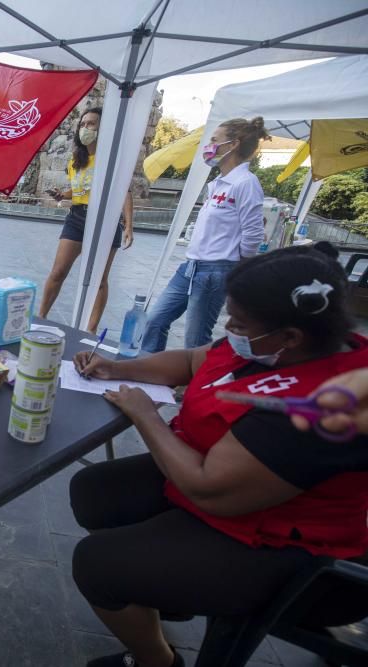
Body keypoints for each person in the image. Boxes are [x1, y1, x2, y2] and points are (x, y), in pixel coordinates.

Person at [68, 244, 368, 667]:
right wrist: (117, 368)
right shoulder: (277, 343)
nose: (229, 328)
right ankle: (165, 595)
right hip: (223, 486)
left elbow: (208, 487)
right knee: (94, 491)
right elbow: (194, 361)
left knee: (96, 565)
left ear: (291, 337)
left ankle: (156, 659)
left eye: (239, 323)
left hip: (283, 548)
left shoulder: (321, 406)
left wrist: (145, 416)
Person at [142, 117, 268, 353]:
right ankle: (150, 369)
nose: (209, 146)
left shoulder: (245, 183)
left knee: (196, 339)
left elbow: (253, 231)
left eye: (214, 140)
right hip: (191, 266)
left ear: (233, 144)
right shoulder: (220, 183)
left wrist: (236, 264)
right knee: (155, 320)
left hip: (216, 270)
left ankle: (193, 386)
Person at [37, 107, 134, 334]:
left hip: (105, 220)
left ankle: (90, 329)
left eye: (91, 124)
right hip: (77, 217)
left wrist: (129, 225)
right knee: (58, 271)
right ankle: (41, 316)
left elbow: (124, 192)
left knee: (99, 278)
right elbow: (78, 189)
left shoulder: (111, 159)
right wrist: (63, 195)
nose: (85, 128)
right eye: (82, 124)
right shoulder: (76, 160)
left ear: (103, 129)